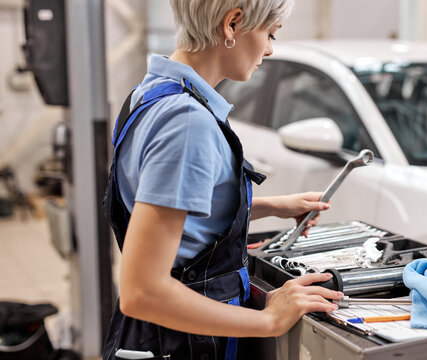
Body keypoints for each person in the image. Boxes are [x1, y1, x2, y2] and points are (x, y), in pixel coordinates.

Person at [102, 1, 343, 359]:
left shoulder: (150, 94)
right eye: (269, 33)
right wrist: (270, 321)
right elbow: (143, 291)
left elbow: (171, 215)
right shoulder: (187, 121)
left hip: (153, 338)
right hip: (182, 341)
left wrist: (271, 207)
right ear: (232, 24)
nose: (270, 48)